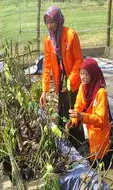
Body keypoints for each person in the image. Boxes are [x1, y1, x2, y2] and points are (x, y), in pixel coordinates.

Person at [39, 5, 84, 148]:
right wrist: (45, 90)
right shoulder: (48, 40)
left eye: (52, 21)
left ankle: (77, 142)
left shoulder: (70, 35)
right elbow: (46, 65)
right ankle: (64, 142)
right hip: (61, 78)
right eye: (47, 22)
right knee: (63, 107)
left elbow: (79, 60)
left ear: (58, 20)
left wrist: (72, 78)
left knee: (74, 108)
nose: (49, 25)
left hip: (73, 77)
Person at [66, 57, 111, 168]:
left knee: (95, 163)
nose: (82, 77)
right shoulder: (83, 87)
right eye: (81, 73)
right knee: (72, 132)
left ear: (93, 74)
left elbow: (100, 119)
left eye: (86, 74)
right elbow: (79, 105)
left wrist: (82, 116)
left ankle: (105, 150)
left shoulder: (101, 93)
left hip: (97, 131)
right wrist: (74, 119)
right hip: (87, 125)